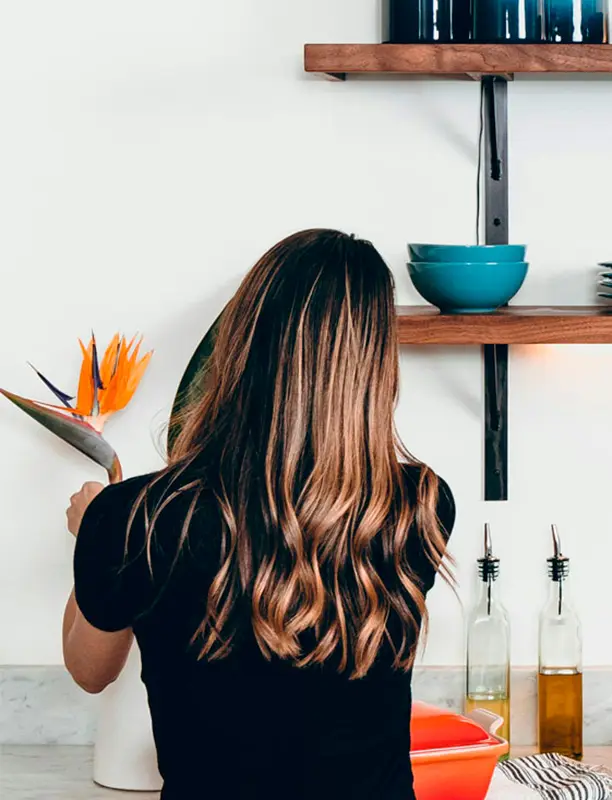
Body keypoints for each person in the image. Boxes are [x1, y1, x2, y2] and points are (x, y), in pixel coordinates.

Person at [61, 229, 456, 800]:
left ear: (239, 344)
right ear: (375, 368)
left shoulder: (134, 517)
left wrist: (91, 535)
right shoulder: (418, 506)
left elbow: (88, 670)